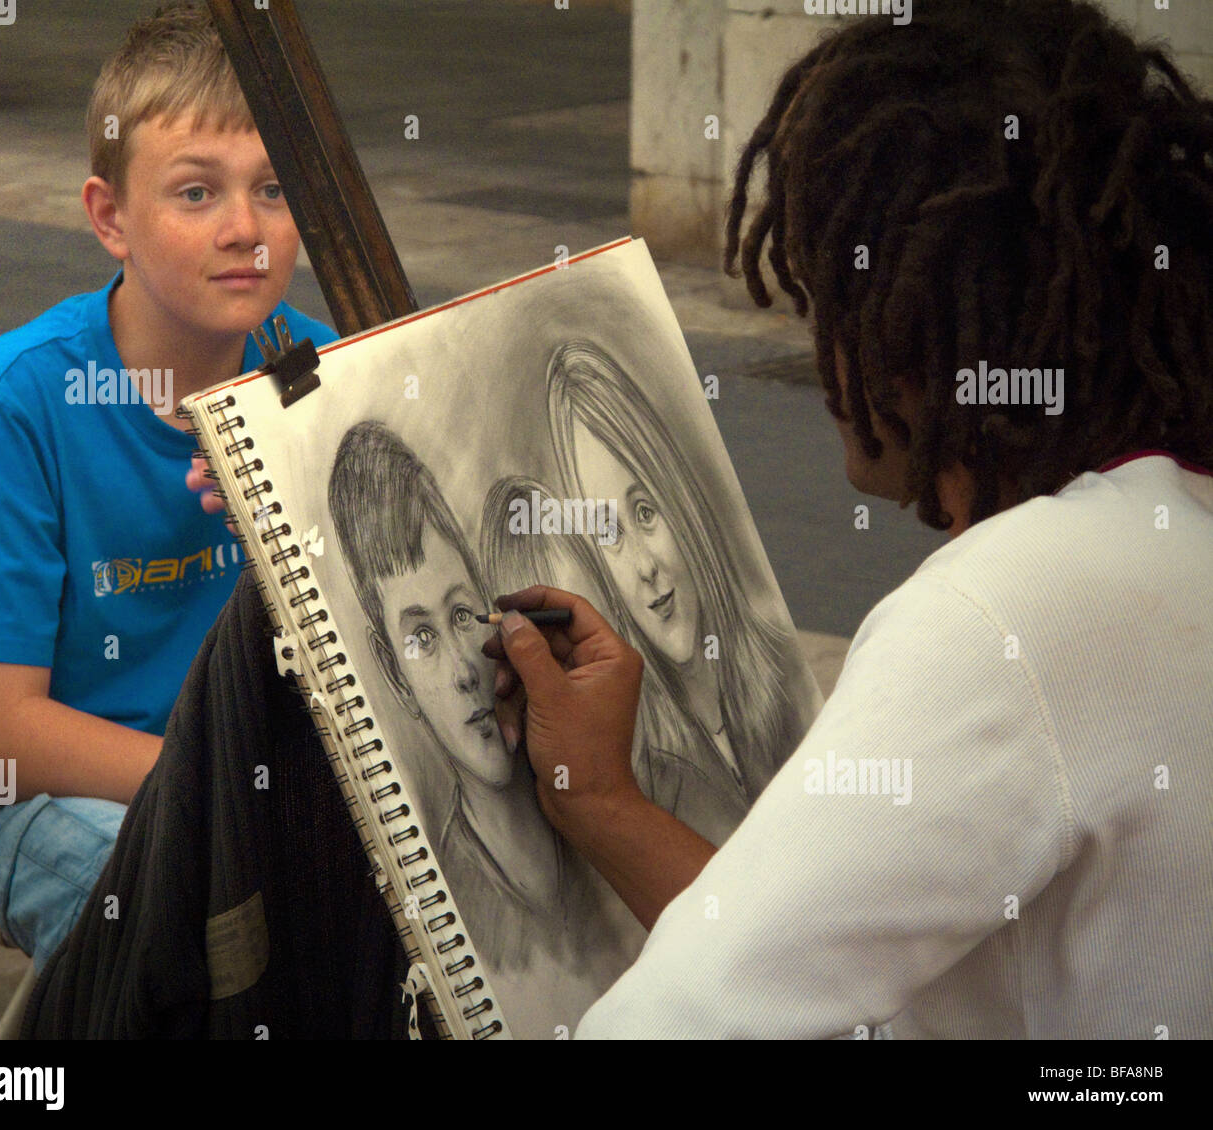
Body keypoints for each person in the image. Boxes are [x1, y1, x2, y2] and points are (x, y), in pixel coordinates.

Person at [485, 0, 1213, 1038]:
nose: (815, 333)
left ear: (912, 334)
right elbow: (827, 965)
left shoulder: (1013, 609)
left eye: (831, 288)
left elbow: (680, 1019)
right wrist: (601, 798)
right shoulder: (1161, 524)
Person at [0, 2, 336, 974]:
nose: (245, 228)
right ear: (111, 217)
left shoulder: (316, 370)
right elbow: (0, 735)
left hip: (222, 767)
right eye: (196, 193)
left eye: (273, 190)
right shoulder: (21, 400)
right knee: (157, 909)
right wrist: (228, 791)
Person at [328, 423, 625, 988]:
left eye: (462, 616)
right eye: (420, 639)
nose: (465, 672)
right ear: (392, 672)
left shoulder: (594, 778)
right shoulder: (445, 901)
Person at [546, 340, 821, 842]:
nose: (645, 567)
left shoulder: (779, 668)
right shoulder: (634, 755)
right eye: (608, 533)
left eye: (646, 512)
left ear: (682, 505)